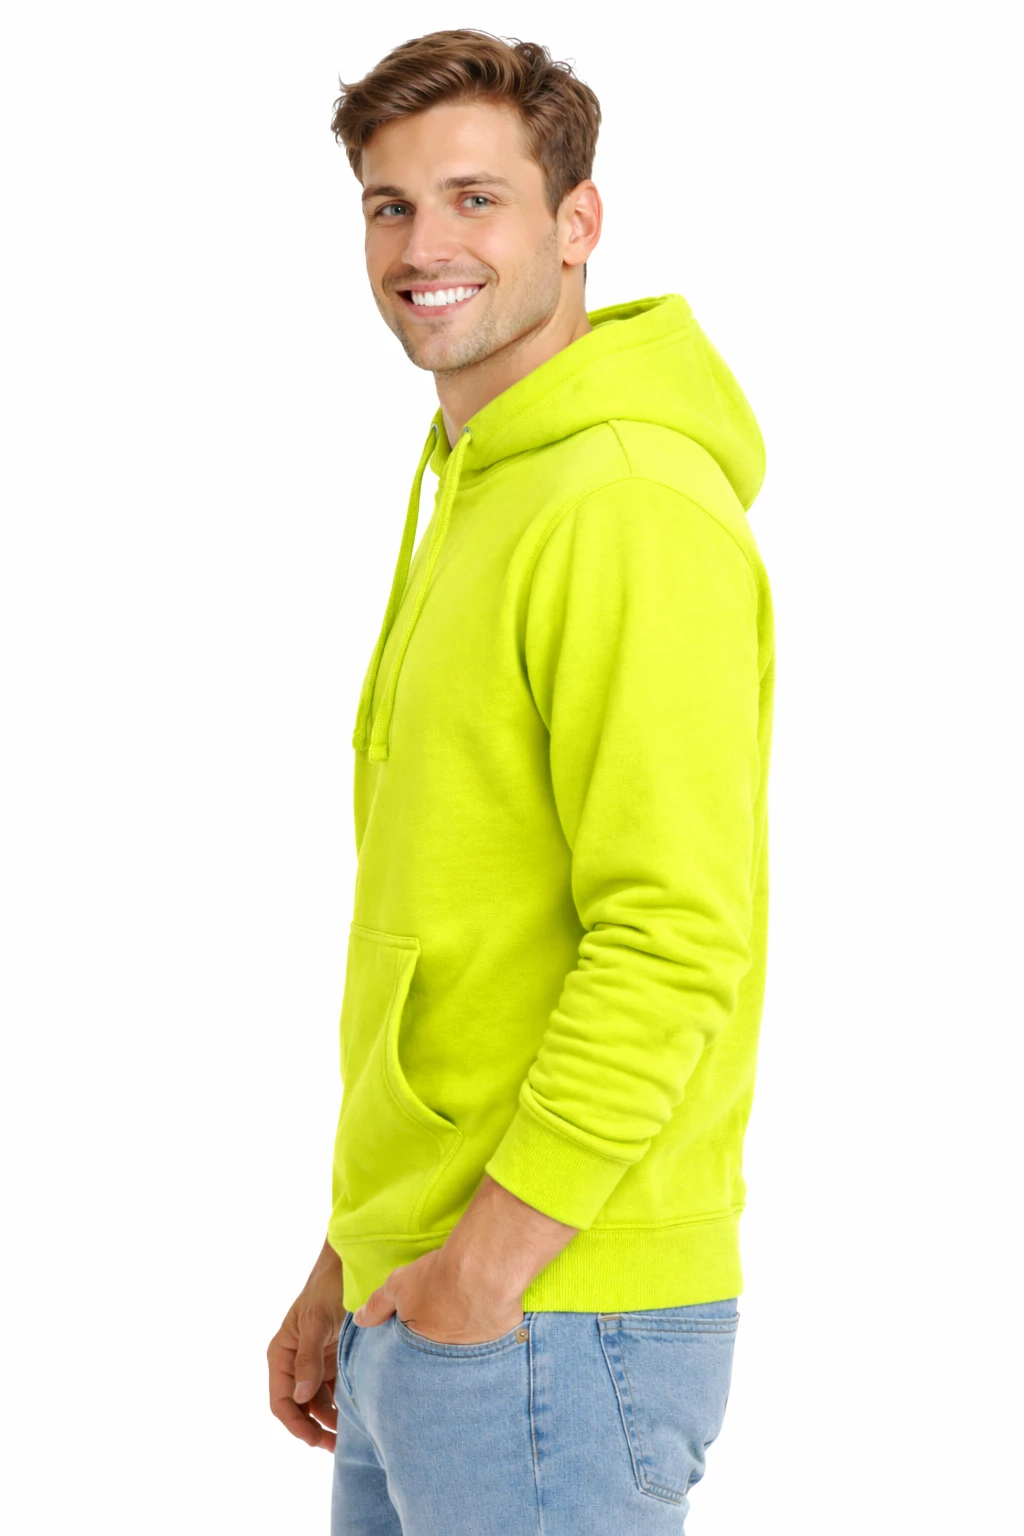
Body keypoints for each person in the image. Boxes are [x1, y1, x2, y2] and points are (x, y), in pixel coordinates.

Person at [267, 27, 775, 1534]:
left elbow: (672, 936)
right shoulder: (484, 488)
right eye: (391, 205)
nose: (425, 246)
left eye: (477, 199)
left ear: (577, 222)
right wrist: (351, 1253)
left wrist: (487, 1269)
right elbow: (460, 929)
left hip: (554, 1310)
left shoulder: (624, 505)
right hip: (428, 1291)